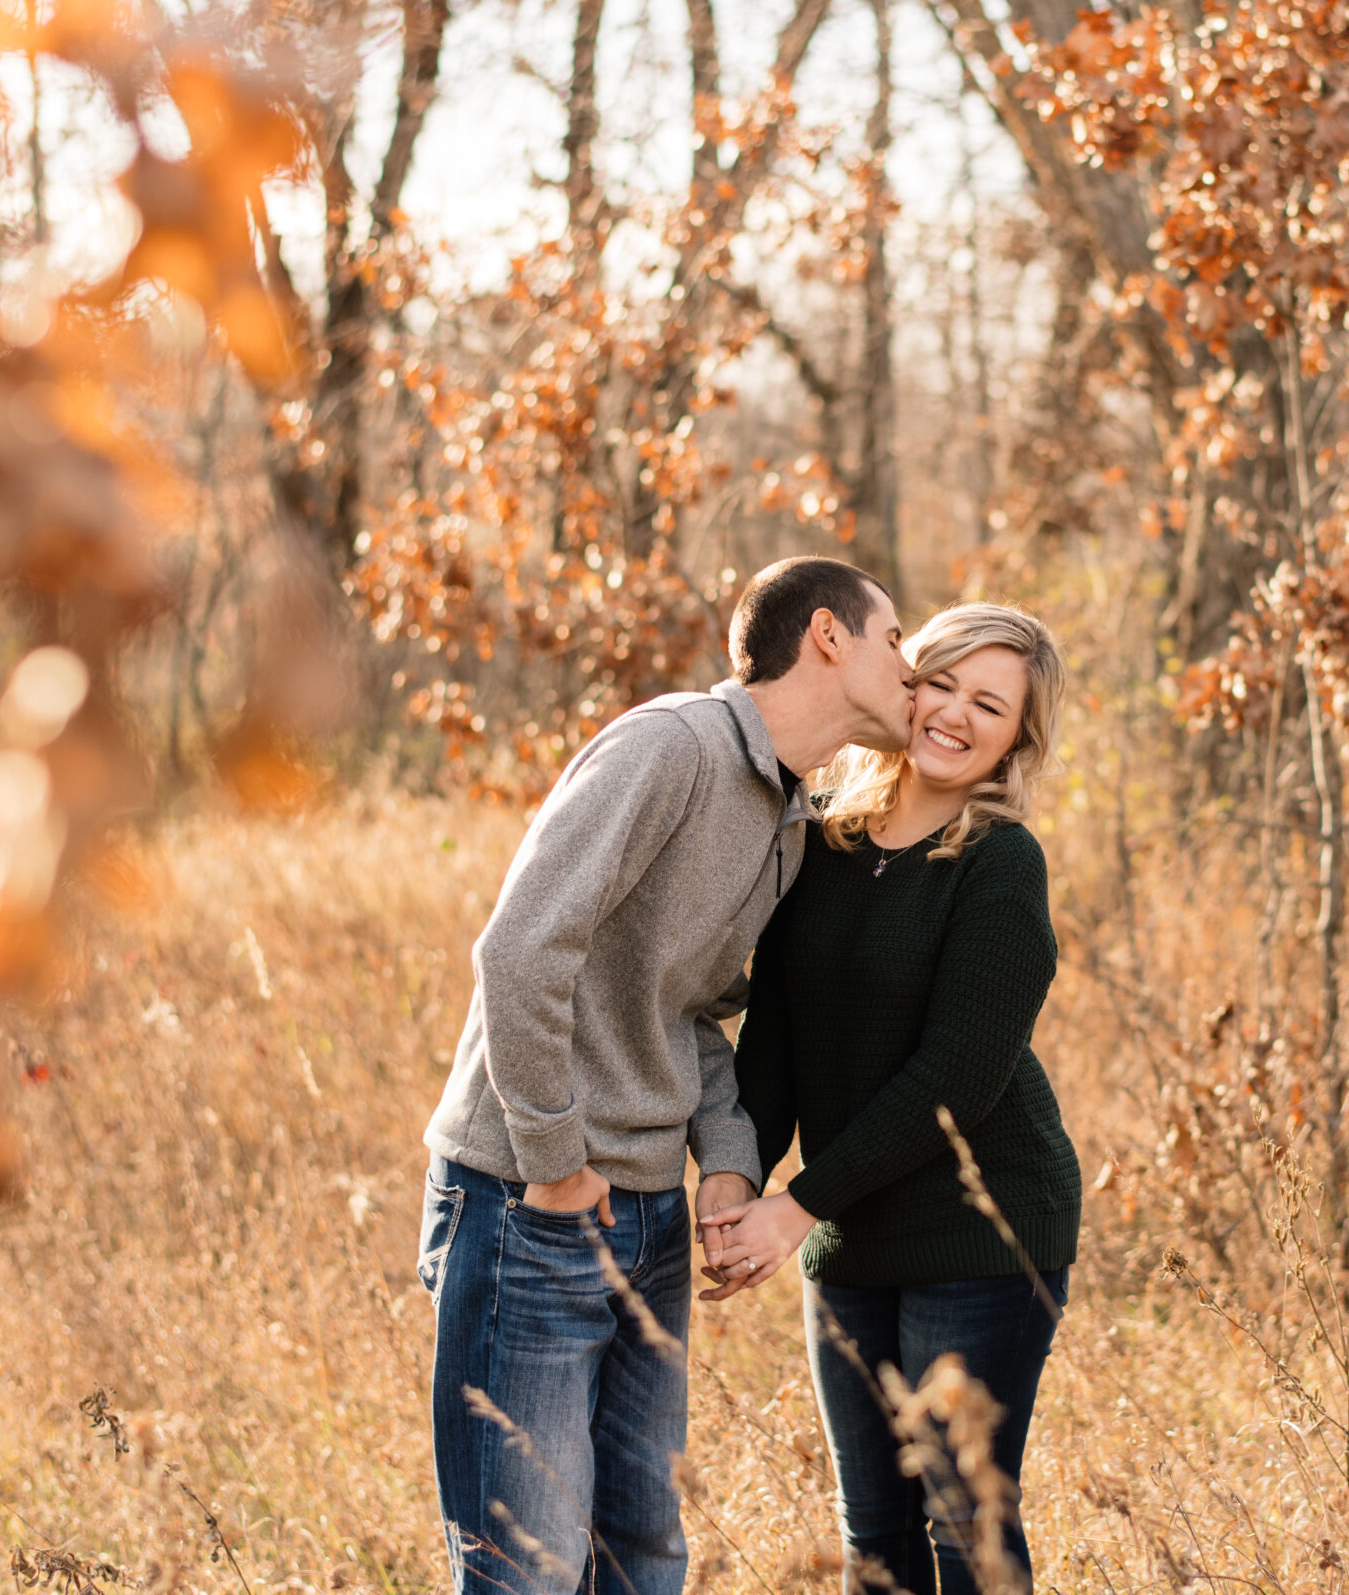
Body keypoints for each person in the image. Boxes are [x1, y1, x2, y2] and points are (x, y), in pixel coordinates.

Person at [415, 556, 912, 1595]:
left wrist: (726, 1166)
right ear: (828, 636)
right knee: (527, 1571)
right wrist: (554, 1165)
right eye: (893, 640)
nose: (912, 671)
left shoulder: (785, 818)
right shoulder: (671, 746)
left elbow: (683, 1013)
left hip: (645, 1219)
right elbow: (520, 951)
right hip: (530, 1206)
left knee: (641, 1561)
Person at [706, 602, 1081, 1595]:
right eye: (940, 682)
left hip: (983, 1229)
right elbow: (775, 1043)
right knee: (870, 1530)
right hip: (848, 1231)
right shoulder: (818, 843)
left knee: (963, 1527)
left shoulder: (999, 862)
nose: (953, 715)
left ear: (1016, 737)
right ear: (904, 684)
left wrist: (796, 1204)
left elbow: (956, 1078)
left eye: (988, 705)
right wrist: (734, 1176)